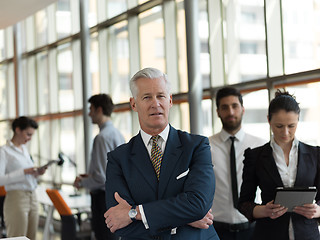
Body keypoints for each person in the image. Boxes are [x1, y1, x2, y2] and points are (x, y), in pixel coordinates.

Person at [104, 67, 219, 240]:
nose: (155, 103)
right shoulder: (118, 159)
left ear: (170, 100)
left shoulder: (197, 146)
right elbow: (118, 224)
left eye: (161, 96)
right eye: (146, 97)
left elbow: (198, 205)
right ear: (134, 104)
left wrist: (134, 213)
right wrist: (184, 219)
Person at [238, 89, 320, 240]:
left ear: (298, 120)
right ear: (269, 120)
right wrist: (264, 210)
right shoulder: (255, 156)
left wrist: (318, 211)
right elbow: (244, 203)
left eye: (291, 126)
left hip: (307, 235)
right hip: (269, 234)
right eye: (279, 126)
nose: (286, 133)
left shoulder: (315, 154)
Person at [209, 87, 266, 239]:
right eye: (225, 107)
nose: (231, 112)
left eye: (235, 106)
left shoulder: (260, 145)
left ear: (243, 109)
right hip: (217, 230)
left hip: (253, 229)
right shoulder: (206, 147)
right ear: (218, 112)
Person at [73, 93, 125, 240]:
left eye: (91, 109)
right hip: (115, 197)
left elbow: (102, 178)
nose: (89, 114)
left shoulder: (101, 138)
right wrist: (89, 176)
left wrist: (81, 182)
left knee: (104, 236)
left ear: (99, 110)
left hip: (103, 199)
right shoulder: (117, 134)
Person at [0, 116, 47, 240]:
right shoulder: (4, 151)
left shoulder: (25, 150)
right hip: (17, 197)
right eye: (28, 134)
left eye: (32, 135)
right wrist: (24, 172)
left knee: (31, 237)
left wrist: (36, 173)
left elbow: (27, 175)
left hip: (32, 196)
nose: (30, 138)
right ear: (17, 130)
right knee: (17, 237)